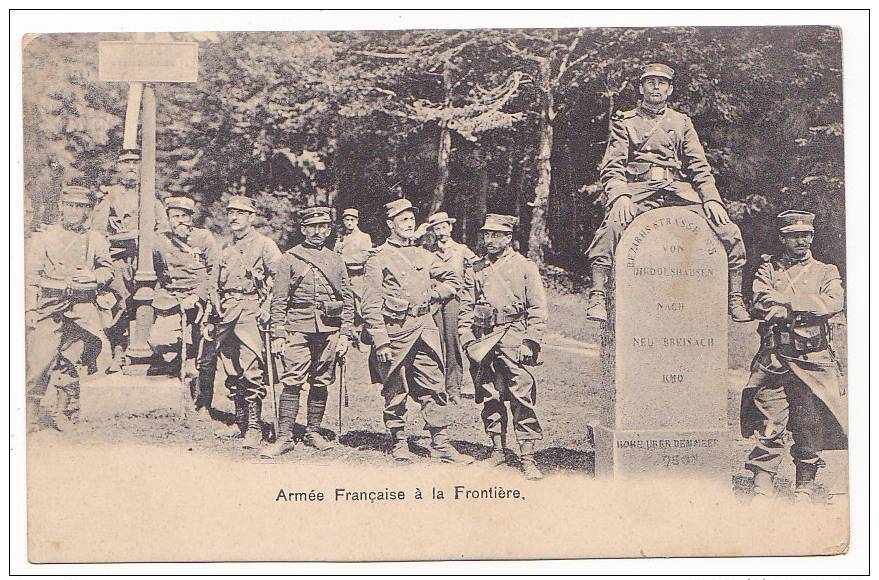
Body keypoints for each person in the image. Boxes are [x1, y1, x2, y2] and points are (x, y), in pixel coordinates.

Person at [583, 63, 749, 323]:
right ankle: (597, 295)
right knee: (613, 224)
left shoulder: (681, 122)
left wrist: (712, 199)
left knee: (728, 229)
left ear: (670, 90)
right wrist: (620, 195)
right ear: (641, 88)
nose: (656, 87)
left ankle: (735, 297)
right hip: (639, 190)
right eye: (650, 82)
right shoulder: (625, 121)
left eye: (662, 83)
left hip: (676, 191)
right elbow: (612, 166)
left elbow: (699, 166)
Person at [741, 210, 846, 502]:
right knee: (769, 422)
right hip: (774, 359)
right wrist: (799, 305)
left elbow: (832, 302)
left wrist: (786, 302)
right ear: (782, 238)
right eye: (793, 236)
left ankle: (805, 487)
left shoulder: (826, 271)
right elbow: (760, 301)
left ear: (812, 237)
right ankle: (762, 488)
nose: (801, 241)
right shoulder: (768, 270)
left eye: (806, 235)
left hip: (812, 360)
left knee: (809, 424)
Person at [361, 198, 473, 465]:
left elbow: (454, 279)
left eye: (411, 219)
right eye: (403, 220)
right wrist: (381, 342)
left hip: (424, 329)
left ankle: (441, 444)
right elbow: (370, 305)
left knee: (434, 385)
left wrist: (435, 295)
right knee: (395, 388)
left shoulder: (425, 255)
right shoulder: (378, 259)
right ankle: (399, 441)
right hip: (395, 333)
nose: (409, 224)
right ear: (391, 224)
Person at [458, 214, 548, 480]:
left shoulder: (524, 267)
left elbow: (538, 309)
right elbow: (465, 308)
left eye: (496, 235)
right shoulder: (475, 269)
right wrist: (467, 339)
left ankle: (527, 456)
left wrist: (530, 342)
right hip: (484, 340)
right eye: (487, 234)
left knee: (521, 395)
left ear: (509, 237)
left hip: (514, 337)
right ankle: (498, 449)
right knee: (490, 394)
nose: (490, 240)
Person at [261, 207, 355, 458]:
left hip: (329, 329)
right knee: (292, 380)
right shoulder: (290, 258)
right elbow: (279, 299)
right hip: (297, 327)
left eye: (323, 227)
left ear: (328, 230)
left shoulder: (336, 260)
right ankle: (284, 437)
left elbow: (348, 298)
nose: (317, 232)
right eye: (312, 227)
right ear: (303, 229)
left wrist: (345, 333)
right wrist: (278, 334)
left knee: (322, 380)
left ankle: (313, 431)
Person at [25, 186, 114, 431]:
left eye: (81, 206)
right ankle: (29, 415)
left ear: (87, 210)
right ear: (61, 207)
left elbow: (108, 270)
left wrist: (93, 276)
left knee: (72, 361)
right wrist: (30, 311)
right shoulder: (44, 237)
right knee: (38, 362)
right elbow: (31, 276)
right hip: (49, 307)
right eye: (70, 205)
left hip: (81, 308)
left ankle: (63, 412)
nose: (75, 211)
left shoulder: (94, 239)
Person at [212, 195, 283, 449]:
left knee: (251, 369)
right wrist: (216, 302)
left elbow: (281, 279)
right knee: (231, 369)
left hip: (251, 311)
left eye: (240, 213)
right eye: (231, 212)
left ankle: (255, 428)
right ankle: (241, 423)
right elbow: (216, 281)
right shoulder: (225, 247)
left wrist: (267, 306)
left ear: (251, 217)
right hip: (227, 313)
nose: (234, 217)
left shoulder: (265, 245)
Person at [92, 149, 170, 370]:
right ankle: (119, 352)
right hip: (118, 259)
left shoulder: (149, 196)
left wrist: (151, 239)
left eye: (136, 163)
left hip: (144, 262)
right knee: (118, 305)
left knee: (147, 305)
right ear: (118, 167)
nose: (131, 168)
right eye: (126, 163)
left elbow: (163, 229)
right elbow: (97, 231)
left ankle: (147, 352)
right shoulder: (110, 197)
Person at [149, 196, 220, 419]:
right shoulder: (159, 241)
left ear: (191, 218)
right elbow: (157, 270)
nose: (180, 221)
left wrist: (198, 296)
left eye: (184, 216)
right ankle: (181, 365)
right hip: (171, 298)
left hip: (200, 301)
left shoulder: (203, 238)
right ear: (168, 219)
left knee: (205, 356)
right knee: (159, 339)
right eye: (175, 216)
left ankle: (203, 404)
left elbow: (213, 272)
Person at [425, 211, 479, 403]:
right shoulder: (428, 251)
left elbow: (479, 266)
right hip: (434, 300)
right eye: (437, 229)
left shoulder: (462, 250)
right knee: (435, 343)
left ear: (450, 227)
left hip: (455, 301)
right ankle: (436, 386)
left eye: (443, 227)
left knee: (453, 343)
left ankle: (454, 388)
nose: (441, 232)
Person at [334, 208, 373, 331]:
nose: (349, 222)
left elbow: (365, 255)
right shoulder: (341, 238)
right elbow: (335, 256)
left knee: (361, 306)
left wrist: (345, 259)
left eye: (352, 219)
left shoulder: (363, 237)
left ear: (357, 221)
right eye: (347, 220)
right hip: (343, 277)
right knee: (346, 305)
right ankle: (351, 334)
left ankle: (366, 334)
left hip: (358, 277)